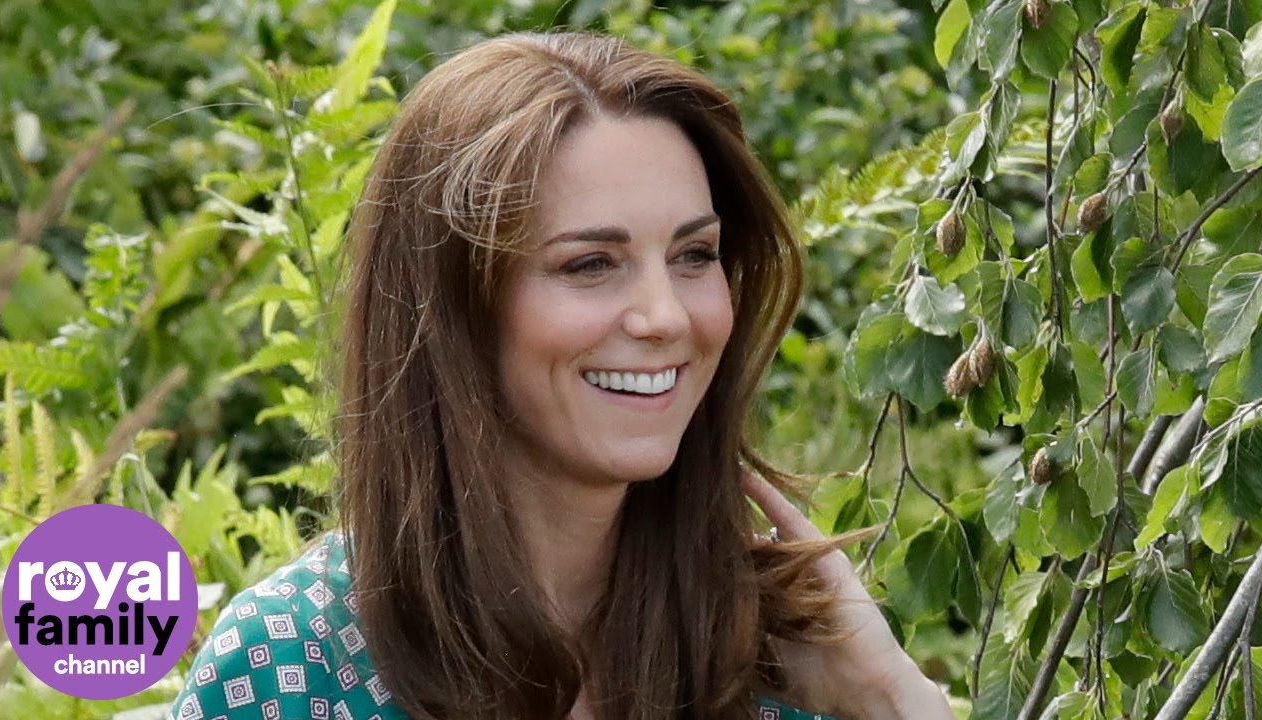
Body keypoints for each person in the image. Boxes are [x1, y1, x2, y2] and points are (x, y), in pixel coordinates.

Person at [166, 31, 954, 720]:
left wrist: (893, 698)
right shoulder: (288, 671)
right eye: (591, 264)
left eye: (694, 255)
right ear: (453, 311)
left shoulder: (785, 662)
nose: (666, 317)